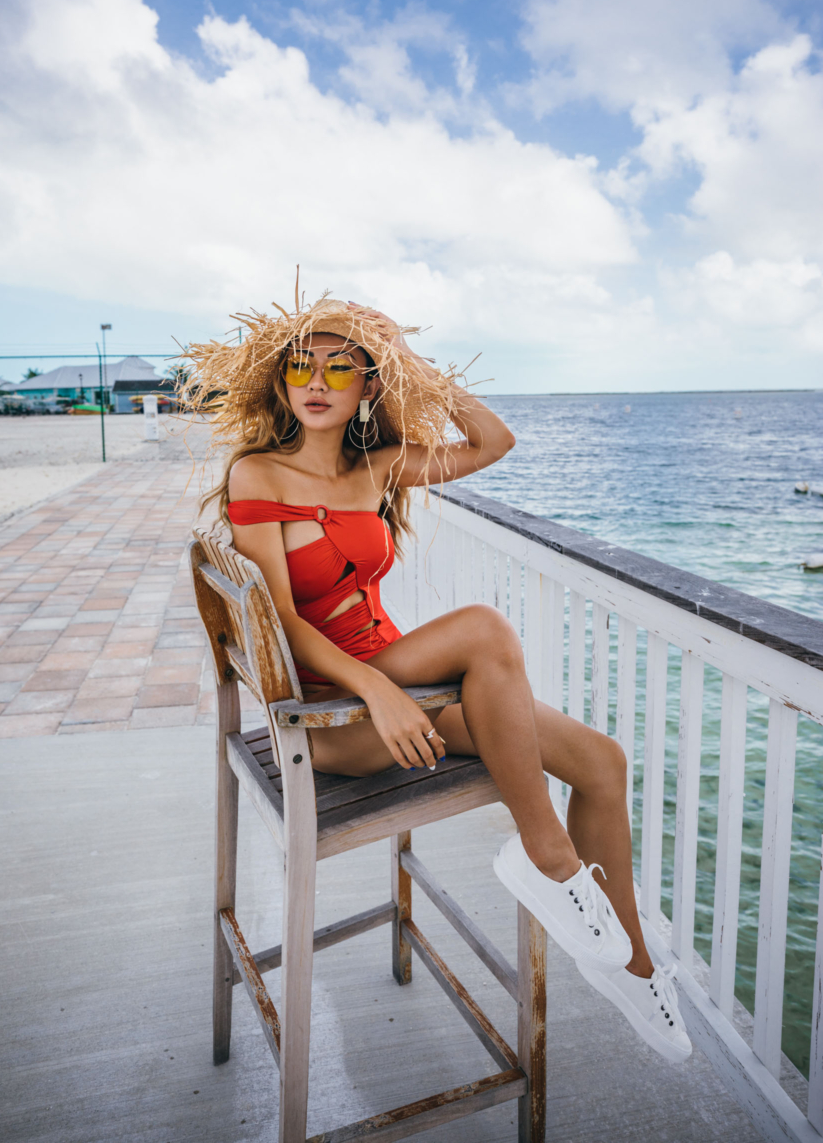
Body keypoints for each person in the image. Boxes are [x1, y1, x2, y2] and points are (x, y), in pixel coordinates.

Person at [185, 290, 691, 1064]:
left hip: (403, 691)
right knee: (484, 631)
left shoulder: (378, 467)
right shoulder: (262, 475)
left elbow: (494, 440)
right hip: (331, 716)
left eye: (340, 367)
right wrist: (378, 690)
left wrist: (411, 361)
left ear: (366, 387)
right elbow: (284, 626)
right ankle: (546, 856)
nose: (316, 381)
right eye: (301, 367)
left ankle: (632, 964)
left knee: (602, 762)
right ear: (282, 385)